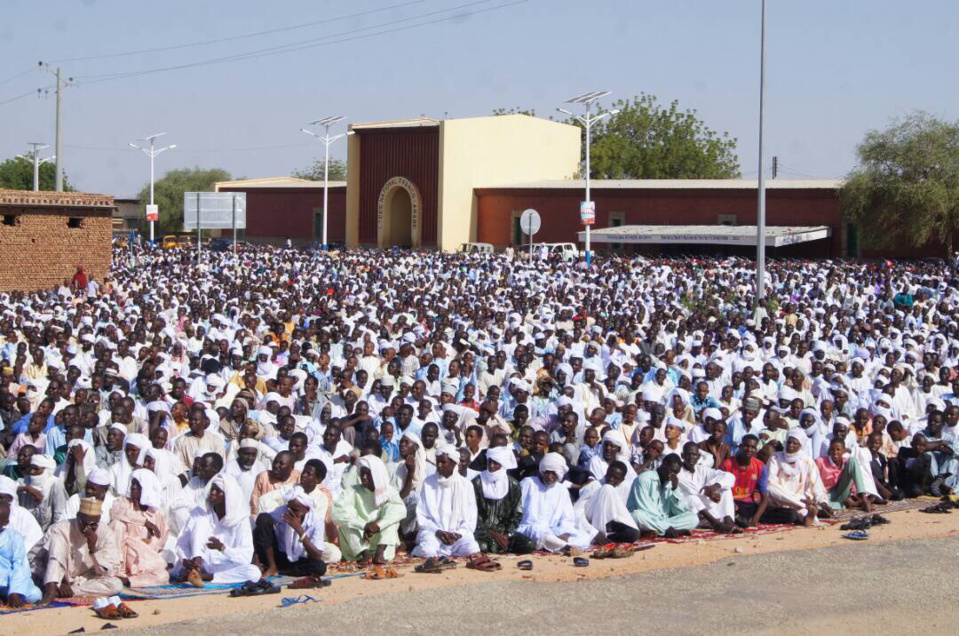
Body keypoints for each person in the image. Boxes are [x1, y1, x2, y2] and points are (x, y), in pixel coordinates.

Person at [172, 475, 261, 586]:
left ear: (228, 495)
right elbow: (182, 542)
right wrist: (185, 560)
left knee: (254, 572)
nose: (212, 492)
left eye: (217, 490)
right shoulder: (200, 512)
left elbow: (245, 557)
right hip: (201, 563)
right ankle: (195, 570)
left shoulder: (241, 519)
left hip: (225, 566)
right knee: (200, 521)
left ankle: (203, 577)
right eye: (212, 489)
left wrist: (222, 548)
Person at [38, 497, 123, 605]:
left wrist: (93, 551)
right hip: (57, 578)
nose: (88, 528)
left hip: (84, 581)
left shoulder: (106, 533)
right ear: (78, 516)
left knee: (116, 584)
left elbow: (109, 572)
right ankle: (52, 590)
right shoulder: (59, 528)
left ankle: (68, 592)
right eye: (85, 523)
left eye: (93, 525)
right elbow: (35, 560)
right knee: (56, 539)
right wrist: (59, 581)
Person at [253, 486, 335, 588]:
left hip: (299, 560)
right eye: (289, 508)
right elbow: (262, 522)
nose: (290, 512)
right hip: (279, 555)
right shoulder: (283, 511)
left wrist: (299, 529)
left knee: (319, 567)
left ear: (307, 509)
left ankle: (279, 570)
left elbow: (317, 555)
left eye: (295, 510)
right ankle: (272, 566)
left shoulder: (316, 520)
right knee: (263, 518)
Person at [516, 452, 595, 552]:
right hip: (529, 529)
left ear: (559, 474)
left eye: (553, 473)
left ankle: (557, 544)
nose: (549, 476)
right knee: (538, 530)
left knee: (584, 536)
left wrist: (565, 534)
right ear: (542, 471)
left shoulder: (562, 490)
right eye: (547, 472)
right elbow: (516, 510)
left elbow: (567, 519)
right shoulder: (528, 483)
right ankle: (566, 547)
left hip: (553, 531)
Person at [412, 445, 481, 558]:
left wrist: (458, 534)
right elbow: (422, 516)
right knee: (427, 551)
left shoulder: (466, 485)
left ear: (453, 463)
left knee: (473, 549)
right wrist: (438, 532)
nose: (439, 465)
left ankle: (445, 552)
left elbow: (470, 518)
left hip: (458, 535)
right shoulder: (428, 482)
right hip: (434, 533)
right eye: (437, 462)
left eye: (443, 462)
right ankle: (431, 550)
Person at [109, 469, 170, 587]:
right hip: (122, 554)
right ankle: (118, 573)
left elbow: (159, 542)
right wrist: (145, 522)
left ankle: (129, 581)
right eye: (133, 484)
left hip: (141, 558)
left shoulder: (157, 514)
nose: (134, 488)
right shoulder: (123, 503)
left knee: (164, 576)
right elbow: (115, 512)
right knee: (118, 524)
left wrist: (143, 556)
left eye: (138, 485)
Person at [471, 445, 532, 554]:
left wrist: (506, 535)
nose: (491, 466)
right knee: (483, 546)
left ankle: (500, 545)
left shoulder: (513, 484)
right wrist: (492, 533)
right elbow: (472, 513)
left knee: (528, 544)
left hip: (504, 532)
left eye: (496, 463)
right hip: (482, 531)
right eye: (489, 462)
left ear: (503, 465)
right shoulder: (477, 482)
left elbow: (517, 514)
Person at [627, 453, 699, 537]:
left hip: (661, 521)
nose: (672, 475)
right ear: (664, 464)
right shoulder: (644, 478)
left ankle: (658, 531)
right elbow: (644, 508)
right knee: (637, 516)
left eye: (676, 473)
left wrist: (675, 489)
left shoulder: (671, 483)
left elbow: (679, 512)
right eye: (671, 470)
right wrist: (666, 526)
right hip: (646, 517)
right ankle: (670, 531)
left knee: (694, 518)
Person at [0, 494, 42, 607]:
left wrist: (14, 592)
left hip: (8, 583)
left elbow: (19, 565)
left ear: (5, 522)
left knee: (35, 594)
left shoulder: (14, 537)